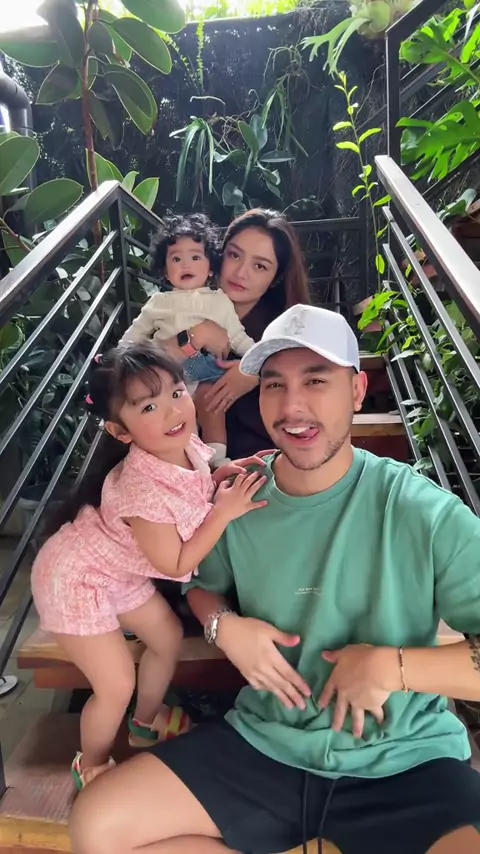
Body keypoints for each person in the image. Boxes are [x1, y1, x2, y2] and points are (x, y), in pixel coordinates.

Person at [69, 304, 480, 854]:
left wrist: (393, 667)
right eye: (274, 385)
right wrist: (224, 627)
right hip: (267, 744)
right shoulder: (239, 498)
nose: (292, 407)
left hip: (403, 759)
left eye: (316, 381)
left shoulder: (422, 510)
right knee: (98, 825)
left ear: (358, 391)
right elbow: (200, 585)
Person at [32, 343, 267, 791]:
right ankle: (92, 764)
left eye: (176, 392)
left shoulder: (182, 443)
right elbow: (175, 561)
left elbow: (193, 487)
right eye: (149, 406)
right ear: (120, 431)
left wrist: (223, 475)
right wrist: (223, 513)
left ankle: (145, 722)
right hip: (76, 579)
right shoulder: (141, 491)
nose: (174, 410)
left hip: (117, 569)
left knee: (168, 637)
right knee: (116, 684)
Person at [160, 208, 311, 461]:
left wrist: (258, 371)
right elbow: (143, 364)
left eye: (260, 266)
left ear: (275, 278)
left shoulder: (284, 331)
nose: (241, 273)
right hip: (178, 460)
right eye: (234, 255)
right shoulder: (182, 304)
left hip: (263, 462)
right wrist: (196, 336)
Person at [120, 214, 256, 468]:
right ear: (165, 269)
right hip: (169, 376)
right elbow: (131, 340)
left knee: (212, 406)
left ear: (211, 267)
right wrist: (121, 359)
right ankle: (190, 464)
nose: (186, 265)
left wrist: (257, 357)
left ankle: (217, 460)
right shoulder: (159, 303)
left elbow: (237, 336)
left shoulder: (220, 300)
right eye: (176, 259)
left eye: (195, 257)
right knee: (179, 416)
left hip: (207, 374)